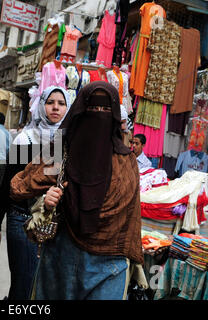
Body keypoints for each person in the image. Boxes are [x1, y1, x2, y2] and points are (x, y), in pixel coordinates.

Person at [10, 81, 143, 300]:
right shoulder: (61, 150)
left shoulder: (125, 160)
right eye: (92, 109)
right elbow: (20, 185)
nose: (98, 115)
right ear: (81, 112)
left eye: (104, 110)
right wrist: (48, 199)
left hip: (109, 264)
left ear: (113, 117)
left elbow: (129, 213)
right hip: (62, 255)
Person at [0, 86, 71, 300]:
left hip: (54, 224)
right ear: (41, 105)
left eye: (61, 104)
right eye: (50, 102)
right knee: (23, 285)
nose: (55, 107)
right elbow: (7, 184)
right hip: (23, 220)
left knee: (41, 289)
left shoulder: (68, 141)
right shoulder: (26, 139)